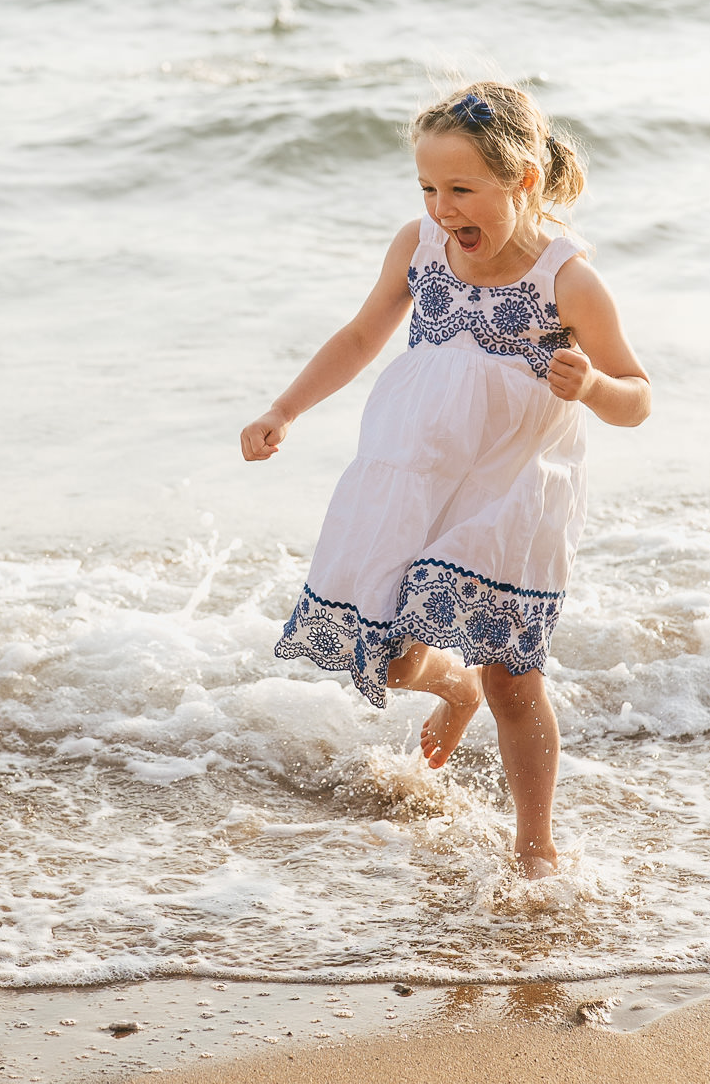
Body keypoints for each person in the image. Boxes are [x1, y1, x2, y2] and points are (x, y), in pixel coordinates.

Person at [240, 81, 649, 878]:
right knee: (392, 660)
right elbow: (362, 335)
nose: (442, 208)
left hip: (511, 493)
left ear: (524, 180)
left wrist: (593, 386)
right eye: (428, 188)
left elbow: (636, 394)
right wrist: (285, 409)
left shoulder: (567, 280)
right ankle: (449, 689)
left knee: (515, 679)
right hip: (415, 475)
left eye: (462, 190)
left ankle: (535, 848)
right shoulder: (419, 247)